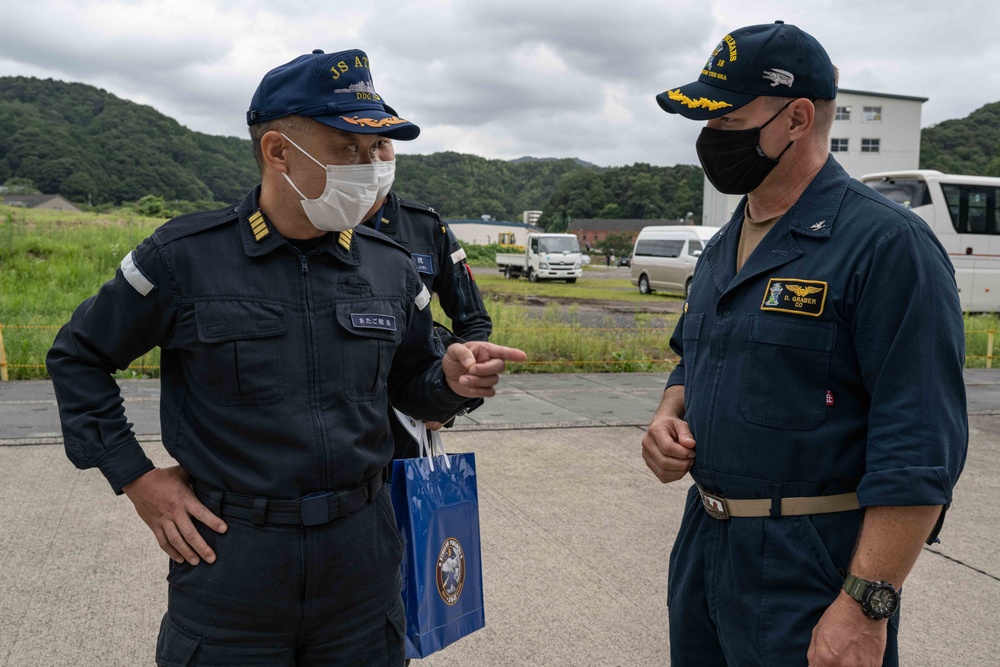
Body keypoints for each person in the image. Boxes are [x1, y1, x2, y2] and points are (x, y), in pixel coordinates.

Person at [46, 48, 525, 666]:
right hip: (232, 561)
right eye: (348, 149)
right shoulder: (184, 257)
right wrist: (136, 478)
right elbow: (79, 354)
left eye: (376, 149)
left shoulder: (390, 267)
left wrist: (454, 381)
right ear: (278, 152)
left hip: (364, 559)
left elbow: (410, 385)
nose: (371, 166)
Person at [642, 22, 967, 666]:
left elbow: (920, 443)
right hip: (705, 544)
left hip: (809, 563)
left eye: (728, 118)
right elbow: (695, 356)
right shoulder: (722, 247)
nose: (711, 138)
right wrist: (666, 414)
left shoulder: (886, 245)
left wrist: (866, 604)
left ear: (795, 118)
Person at [363, 137, 493, 461]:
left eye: (381, 143)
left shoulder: (427, 227)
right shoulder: (315, 225)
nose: (373, 155)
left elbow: (474, 320)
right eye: (357, 144)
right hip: (344, 421)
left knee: (410, 508)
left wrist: (454, 401)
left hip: (411, 421)